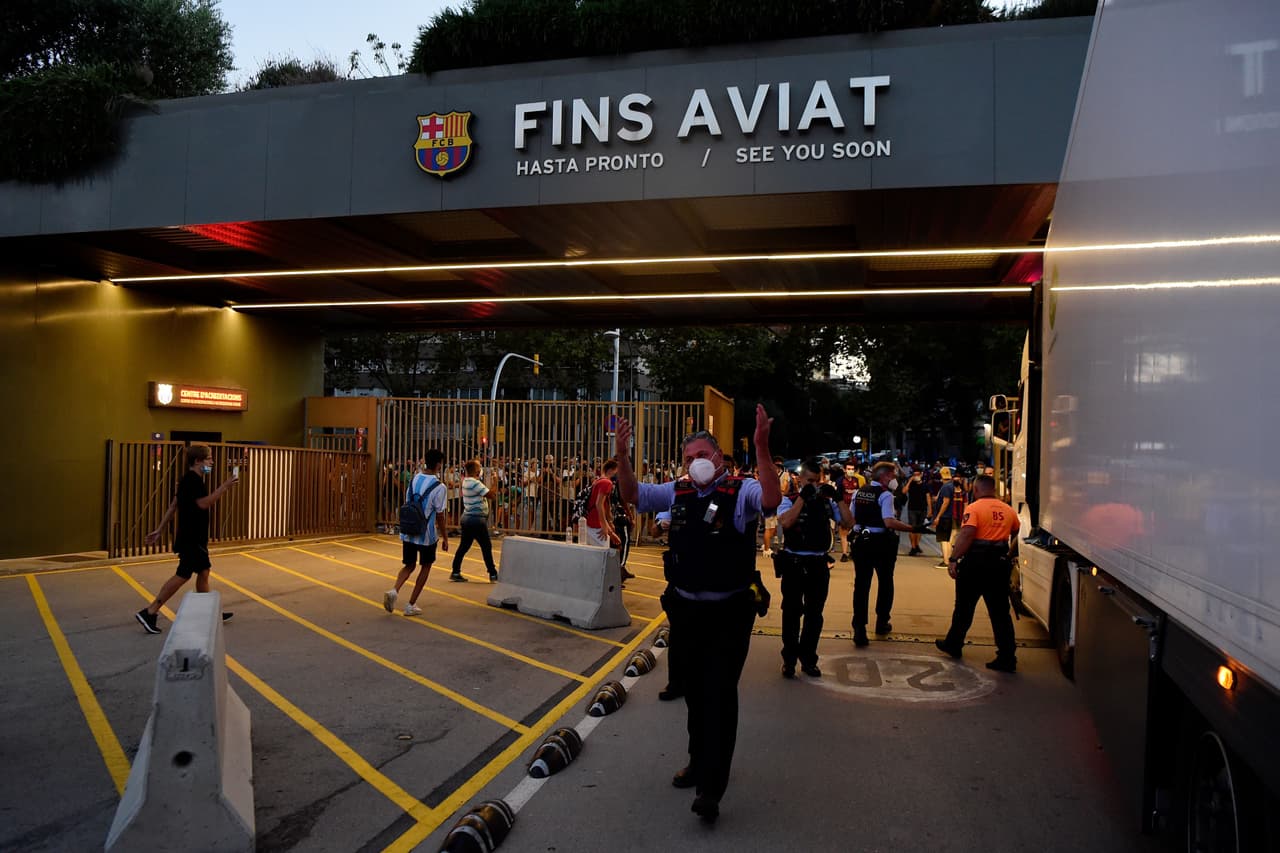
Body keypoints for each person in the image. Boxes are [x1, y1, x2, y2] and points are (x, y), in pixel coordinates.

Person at [615, 407, 780, 824]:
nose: (696, 463)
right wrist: (622, 453)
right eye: (689, 458)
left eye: (703, 455)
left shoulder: (739, 492)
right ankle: (696, 762)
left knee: (720, 696)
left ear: (720, 456)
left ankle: (712, 788)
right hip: (686, 610)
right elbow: (632, 494)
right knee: (693, 691)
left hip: (729, 612)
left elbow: (773, 499)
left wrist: (761, 446)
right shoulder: (678, 491)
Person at [137, 444, 237, 633]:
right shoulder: (193, 481)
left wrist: (159, 529)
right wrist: (224, 487)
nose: (212, 462)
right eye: (209, 459)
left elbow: (174, 505)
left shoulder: (188, 480)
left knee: (204, 571)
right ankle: (150, 611)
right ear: (198, 461)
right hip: (192, 537)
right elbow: (203, 503)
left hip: (192, 536)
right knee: (183, 574)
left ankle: (209, 611)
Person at [775, 458, 852, 677]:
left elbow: (848, 522)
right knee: (791, 612)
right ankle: (789, 659)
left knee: (814, 613)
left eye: (817, 481)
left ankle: (809, 658)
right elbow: (787, 522)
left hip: (818, 562)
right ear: (799, 480)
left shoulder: (826, 502)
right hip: (794, 561)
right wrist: (802, 497)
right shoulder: (788, 500)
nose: (814, 485)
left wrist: (839, 498)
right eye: (809, 481)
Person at [935, 474, 1020, 672]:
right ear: (994, 489)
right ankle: (1007, 656)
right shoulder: (1008, 510)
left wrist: (954, 559)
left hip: (975, 562)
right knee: (1000, 613)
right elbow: (1017, 533)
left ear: (976, 489)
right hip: (998, 563)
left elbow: (967, 534)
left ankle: (954, 644)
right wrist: (1009, 555)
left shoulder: (973, 508)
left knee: (964, 607)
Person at [850, 459, 915, 646]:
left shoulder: (858, 492)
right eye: (893, 475)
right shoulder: (885, 495)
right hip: (881, 543)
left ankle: (859, 629)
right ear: (885, 476)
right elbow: (889, 521)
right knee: (885, 581)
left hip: (861, 540)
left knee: (861, 585)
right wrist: (911, 528)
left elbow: (853, 518)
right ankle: (882, 621)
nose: (894, 478)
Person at [384, 448, 451, 616]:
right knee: (425, 566)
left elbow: (408, 500)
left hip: (408, 530)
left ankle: (394, 590)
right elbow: (440, 515)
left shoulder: (414, 480)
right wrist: (444, 537)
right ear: (438, 464)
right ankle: (411, 604)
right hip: (426, 534)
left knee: (409, 565)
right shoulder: (439, 486)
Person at [452, 459, 498, 582]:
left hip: (468, 518)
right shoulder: (474, 483)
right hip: (476, 519)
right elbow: (491, 495)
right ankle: (492, 573)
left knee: (464, 546)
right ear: (476, 471)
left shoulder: (466, 481)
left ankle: (455, 571)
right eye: (480, 467)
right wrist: (495, 481)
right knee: (486, 546)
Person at [583, 459, 619, 547]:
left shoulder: (597, 481)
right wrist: (605, 527)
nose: (616, 474)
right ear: (611, 470)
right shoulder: (607, 483)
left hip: (590, 523)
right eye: (616, 471)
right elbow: (599, 504)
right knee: (602, 556)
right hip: (597, 527)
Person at [930, 467, 957, 569]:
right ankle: (948, 559)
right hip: (951, 516)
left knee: (944, 540)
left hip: (945, 516)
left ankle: (946, 561)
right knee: (949, 540)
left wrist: (938, 516)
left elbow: (946, 502)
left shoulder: (946, 487)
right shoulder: (952, 485)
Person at [903, 468, 930, 556]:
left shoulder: (925, 485)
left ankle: (917, 545)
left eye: (918, 474)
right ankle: (913, 547)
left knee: (919, 529)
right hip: (912, 509)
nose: (916, 476)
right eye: (914, 475)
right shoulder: (911, 485)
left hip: (923, 509)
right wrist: (910, 481)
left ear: (921, 474)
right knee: (912, 528)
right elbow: (904, 491)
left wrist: (930, 509)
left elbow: (928, 497)